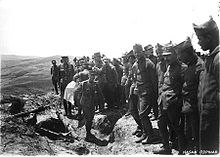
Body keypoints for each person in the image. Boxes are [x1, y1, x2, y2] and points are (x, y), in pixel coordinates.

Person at [153, 43, 187, 154]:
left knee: (177, 127)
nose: (166, 58)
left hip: (174, 103)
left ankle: (182, 149)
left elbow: (185, 87)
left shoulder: (183, 67)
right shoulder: (167, 66)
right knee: (161, 124)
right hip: (163, 101)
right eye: (165, 55)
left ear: (175, 54)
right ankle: (166, 147)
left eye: (169, 55)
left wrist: (179, 101)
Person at [193, 16, 219, 154]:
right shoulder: (211, 58)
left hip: (214, 121)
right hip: (206, 118)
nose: (198, 42)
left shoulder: (218, 59)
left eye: (200, 39)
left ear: (209, 38)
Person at [175, 37, 204, 153]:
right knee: (189, 134)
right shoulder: (188, 66)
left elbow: (202, 92)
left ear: (188, 52)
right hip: (187, 106)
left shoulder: (199, 66)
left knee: (197, 135)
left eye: (180, 54)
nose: (178, 58)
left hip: (195, 108)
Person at [131, 44, 158, 144]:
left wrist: (155, 95)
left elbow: (154, 81)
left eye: (138, 51)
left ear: (142, 51)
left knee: (143, 114)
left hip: (148, 93)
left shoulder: (149, 64)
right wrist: (136, 87)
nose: (137, 54)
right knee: (140, 113)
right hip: (140, 93)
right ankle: (145, 133)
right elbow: (135, 78)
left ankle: (151, 136)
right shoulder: (135, 65)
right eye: (135, 52)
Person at [76, 69, 105, 142]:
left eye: (94, 76)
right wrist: (78, 103)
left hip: (92, 104)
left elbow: (100, 94)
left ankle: (88, 132)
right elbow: (76, 92)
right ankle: (88, 134)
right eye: (91, 75)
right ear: (88, 76)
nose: (92, 77)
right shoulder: (83, 84)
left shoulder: (96, 84)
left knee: (91, 118)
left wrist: (101, 104)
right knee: (88, 118)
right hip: (85, 104)